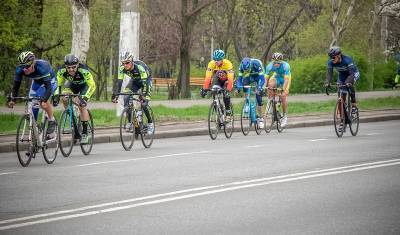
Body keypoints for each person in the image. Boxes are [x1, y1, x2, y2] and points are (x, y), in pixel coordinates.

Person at [7, 51, 57, 139]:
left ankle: (51, 120)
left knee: (42, 102)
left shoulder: (42, 67)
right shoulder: (20, 70)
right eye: (22, 67)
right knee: (31, 105)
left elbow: (48, 87)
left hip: (50, 82)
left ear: (33, 63)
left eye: (27, 67)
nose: (25, 69)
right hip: (37, 82)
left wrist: (44, 99)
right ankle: (35, 131)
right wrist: (13, 99)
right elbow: (16, 87)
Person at [53, 54, 96, 144]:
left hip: (84, 86)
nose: (71, 70)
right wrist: (56, 95)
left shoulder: (83, 70)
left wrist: (85, 98)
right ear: (65, 66)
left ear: (77, 65)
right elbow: (58, 84)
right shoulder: (61, 70)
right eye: (68, 68)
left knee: (81, 105)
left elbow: (92, 85)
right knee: (64, 98)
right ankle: (71, 114)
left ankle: (84, 133)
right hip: (72, 84)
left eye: (73, 67)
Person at [112, 52, 153, 134]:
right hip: (135, 81)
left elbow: (144, 83)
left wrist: (144, 95)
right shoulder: (122, 69)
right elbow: (119, 82)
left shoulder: (140, 67)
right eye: (123, 63)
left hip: (146, 81)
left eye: (127, 62)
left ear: (132, 61)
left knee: (144, 103)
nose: (125, 65)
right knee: (126, 97)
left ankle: (150, 123)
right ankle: (130, 122)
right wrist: (116, 95)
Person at [200, 49, 234, 116]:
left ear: (222, 59)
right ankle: (218, 110)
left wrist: (228, 89)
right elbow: (208, 77)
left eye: (218, 60)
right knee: (214, 90)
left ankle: (228, 111)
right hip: (218, 80)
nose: (216, 61)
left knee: (225, 93)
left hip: (227, 80)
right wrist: (205, 89)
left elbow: (230, 78)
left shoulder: (228, 64)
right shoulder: (211, 64)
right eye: (215, 59)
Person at [236, 57, 265, 127]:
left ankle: (261, 119)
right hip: (250, 76)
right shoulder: (241, 67)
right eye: (245, 69)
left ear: (250, 65)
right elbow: (239, 80)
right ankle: (247, 102)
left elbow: (262, 79)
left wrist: (260, 87)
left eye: (248, 69)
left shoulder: (256, 64)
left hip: (259, 77)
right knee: (244, 83)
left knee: (259, 97)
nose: (246, 70)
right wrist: (238, 88)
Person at [265, 52, 292, 127]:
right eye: (275, 62)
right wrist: (264, 87)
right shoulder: (269, 66)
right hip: (276, 77)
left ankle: (284, 116)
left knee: (283, 96)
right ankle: (270, 101)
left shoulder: (286, 66)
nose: (276, 64)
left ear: (281, 62)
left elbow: (286, 80)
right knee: (270, 85)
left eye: (278, 63)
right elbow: (266, 78)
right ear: (272, 61)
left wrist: (283, 89)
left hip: (285, 79)